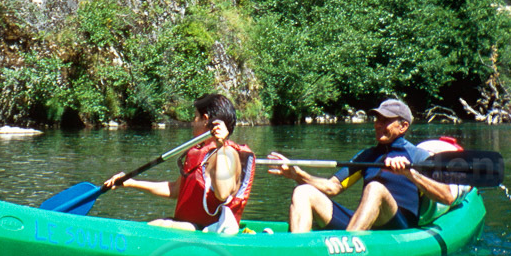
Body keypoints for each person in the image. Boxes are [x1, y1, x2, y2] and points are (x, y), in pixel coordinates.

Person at [268, 98, 458, 233]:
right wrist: (298, 175)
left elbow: (447, 197)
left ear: (403, 126)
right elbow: (332, 187)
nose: (377, 125)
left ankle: (348, 250)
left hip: (399, 226)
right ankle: (299, 250)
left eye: (385, 121)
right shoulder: (367, 155)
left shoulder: (418, 156)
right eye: (377, 119)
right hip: (364, 222)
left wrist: (410, 173)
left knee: (375, 188)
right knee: (303, 192)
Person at [103, 94, 256, 233]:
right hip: (189, 227)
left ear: (205, 119)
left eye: (195, 117)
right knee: (162, 224)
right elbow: (176, 189)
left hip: (208, 232)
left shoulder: (228, 153)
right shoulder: (199, 152)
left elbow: (222, 194)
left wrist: (220, 145)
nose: (192, 122)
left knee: (162, 225)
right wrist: (131, 183)